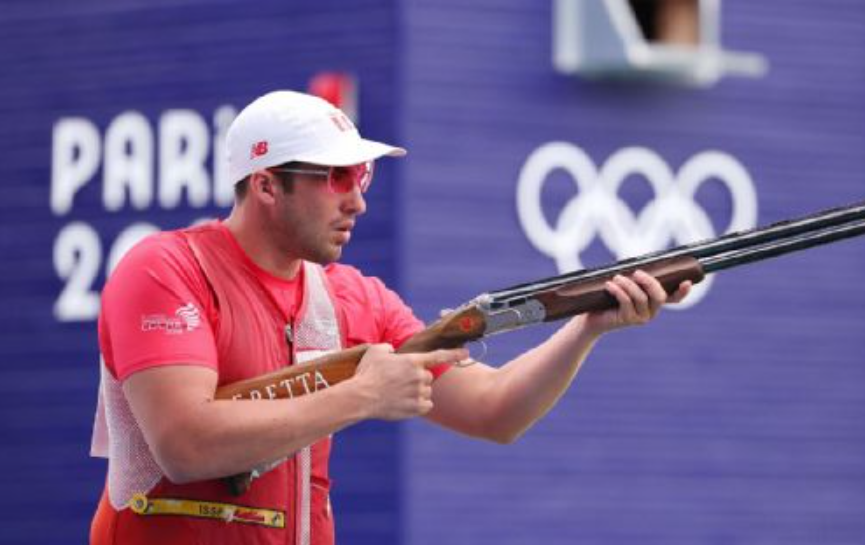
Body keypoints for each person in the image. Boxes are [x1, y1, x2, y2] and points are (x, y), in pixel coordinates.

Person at [89, 90, 690, 545]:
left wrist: (587, 325)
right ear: (267, 185)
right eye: (337, 177)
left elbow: (495, 411)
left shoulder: (355, 298)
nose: (359, 198)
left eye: (364, 175)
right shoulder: (164, 269)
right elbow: (184, 445)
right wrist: (361, 396)